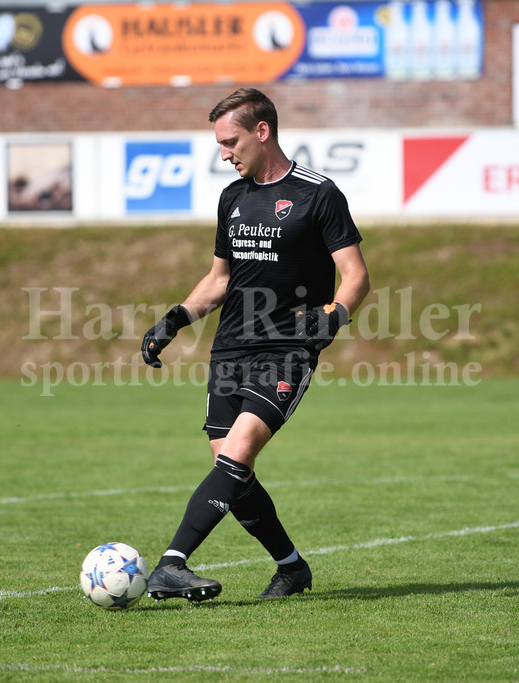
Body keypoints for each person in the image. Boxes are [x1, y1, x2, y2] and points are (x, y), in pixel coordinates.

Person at [140, 88, 370, 602]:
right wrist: (175, 318)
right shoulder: (233, 197)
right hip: (229, 350)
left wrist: (335, 315)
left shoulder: (318, 193)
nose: (224, 153)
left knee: (238, 453)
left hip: (288, 348)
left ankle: (171, 564)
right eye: (220, 144)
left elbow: (356, 276)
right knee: (232, 471)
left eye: (230, 141)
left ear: (261, 132)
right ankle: (291, 568)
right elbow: (220, 279)